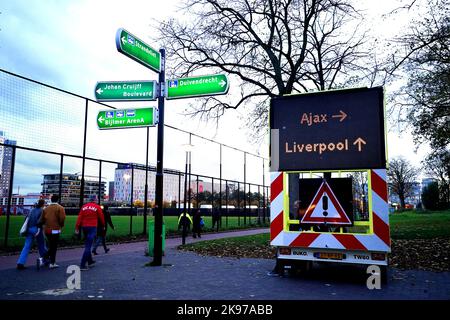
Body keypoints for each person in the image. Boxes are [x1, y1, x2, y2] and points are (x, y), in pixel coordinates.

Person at [16, 199, 48, 270]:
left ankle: (20, 263)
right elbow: (40, 222)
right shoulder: (42, 211)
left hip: (29, 229)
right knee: (42, 245)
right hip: (37, 229)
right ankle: (46, 260)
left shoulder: (32, 210)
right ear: (43, 204)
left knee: (26, 246)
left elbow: (26, 219)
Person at [75, 195, 105, 271]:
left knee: (87, 243)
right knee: (88, 246)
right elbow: (101, 217)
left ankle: (90, 261)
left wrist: (77, 227)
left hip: (84, 227)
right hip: (92, 227)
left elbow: (79, 217)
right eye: (97, 198)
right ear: (95, 199)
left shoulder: (84, 206)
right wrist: (103, 225)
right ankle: (82, 265)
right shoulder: (97, 207)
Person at [38, 194, 66, 269]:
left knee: (51, 246)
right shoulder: (60, 208)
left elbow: (41, 220)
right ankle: (50, 262)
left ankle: (45, 259)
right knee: (54, 247)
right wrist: (61, 225)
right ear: (58, 200)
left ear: (51, 200)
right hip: (55, 229)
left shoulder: (46, 209)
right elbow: (62, 218)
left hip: (47, 230)